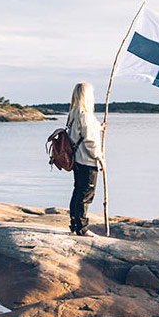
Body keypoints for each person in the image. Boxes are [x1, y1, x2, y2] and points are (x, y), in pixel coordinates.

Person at [67, 82, 105, 237]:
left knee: (78, 191)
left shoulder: (74, 113)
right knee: (86, 194)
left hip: (77, 160)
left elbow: (80, 132)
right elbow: (89, 141)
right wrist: (100, 157)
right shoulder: (86, 116)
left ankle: (75, 224)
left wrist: (99, 127)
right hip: (87, 161)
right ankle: (82, 228)